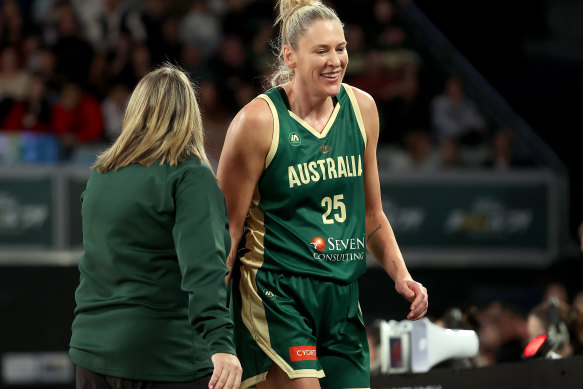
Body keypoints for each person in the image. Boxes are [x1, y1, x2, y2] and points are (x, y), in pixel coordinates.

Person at [217, 1, 428, 388]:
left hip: (342, 298)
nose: (335, 60)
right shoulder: (257, 122)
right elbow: (225, 234)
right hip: (277, 294)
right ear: (290, 56)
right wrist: (214, 330)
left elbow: (372, 217)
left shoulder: (363, 110)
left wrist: (402, 275)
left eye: (341, 48)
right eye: (322, 50)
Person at [69, 64, 242, 389]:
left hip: (91, 352)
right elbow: (204, 269)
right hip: (162, 356)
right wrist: (220, 342)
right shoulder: (189, 177)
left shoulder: (101, 175)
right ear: (190, 115)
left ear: (134, 112)